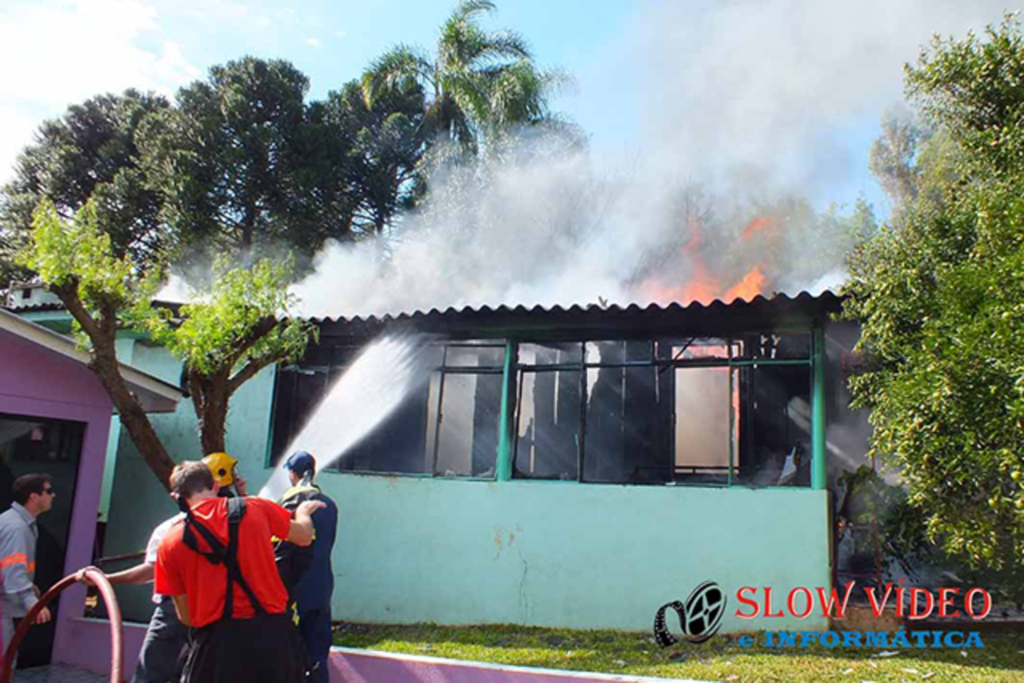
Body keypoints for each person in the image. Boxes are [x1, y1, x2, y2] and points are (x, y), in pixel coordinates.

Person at [155, 460, 323, 682]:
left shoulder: (169, 542)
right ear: (216, 485)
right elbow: (303, 537)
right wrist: (302, 512)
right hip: (272, 640)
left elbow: (185, 616)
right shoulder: (255, 508)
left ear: (176, 497)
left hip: (216, 647)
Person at [80, 510, 187, 683]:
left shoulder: (172, 528)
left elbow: (150, 571)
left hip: (175, 609)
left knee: (151, 671)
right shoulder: (225, 524)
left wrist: (107, 579)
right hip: (216, 610)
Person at [277, 451, 338, 683]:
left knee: (287, 648)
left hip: (291, 586)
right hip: (321, 584)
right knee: (317, 649)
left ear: (293, 474)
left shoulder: (287, 503)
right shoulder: (329, 505)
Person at [0, 474, 55, 665]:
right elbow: (13, 568)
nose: (53, 495)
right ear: (33, 496)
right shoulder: (17, 527)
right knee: (4, 663)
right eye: (48, 491)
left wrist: (29, 588)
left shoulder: (18, 523)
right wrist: (30, 601)